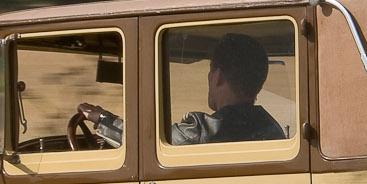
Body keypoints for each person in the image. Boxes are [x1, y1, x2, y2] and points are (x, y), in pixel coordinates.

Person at [76, 32, 285, 147]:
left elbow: (147, 144)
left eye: (210, 70)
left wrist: (102, 119)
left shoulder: (204, 130)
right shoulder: (271, 128)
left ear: (218, 76)